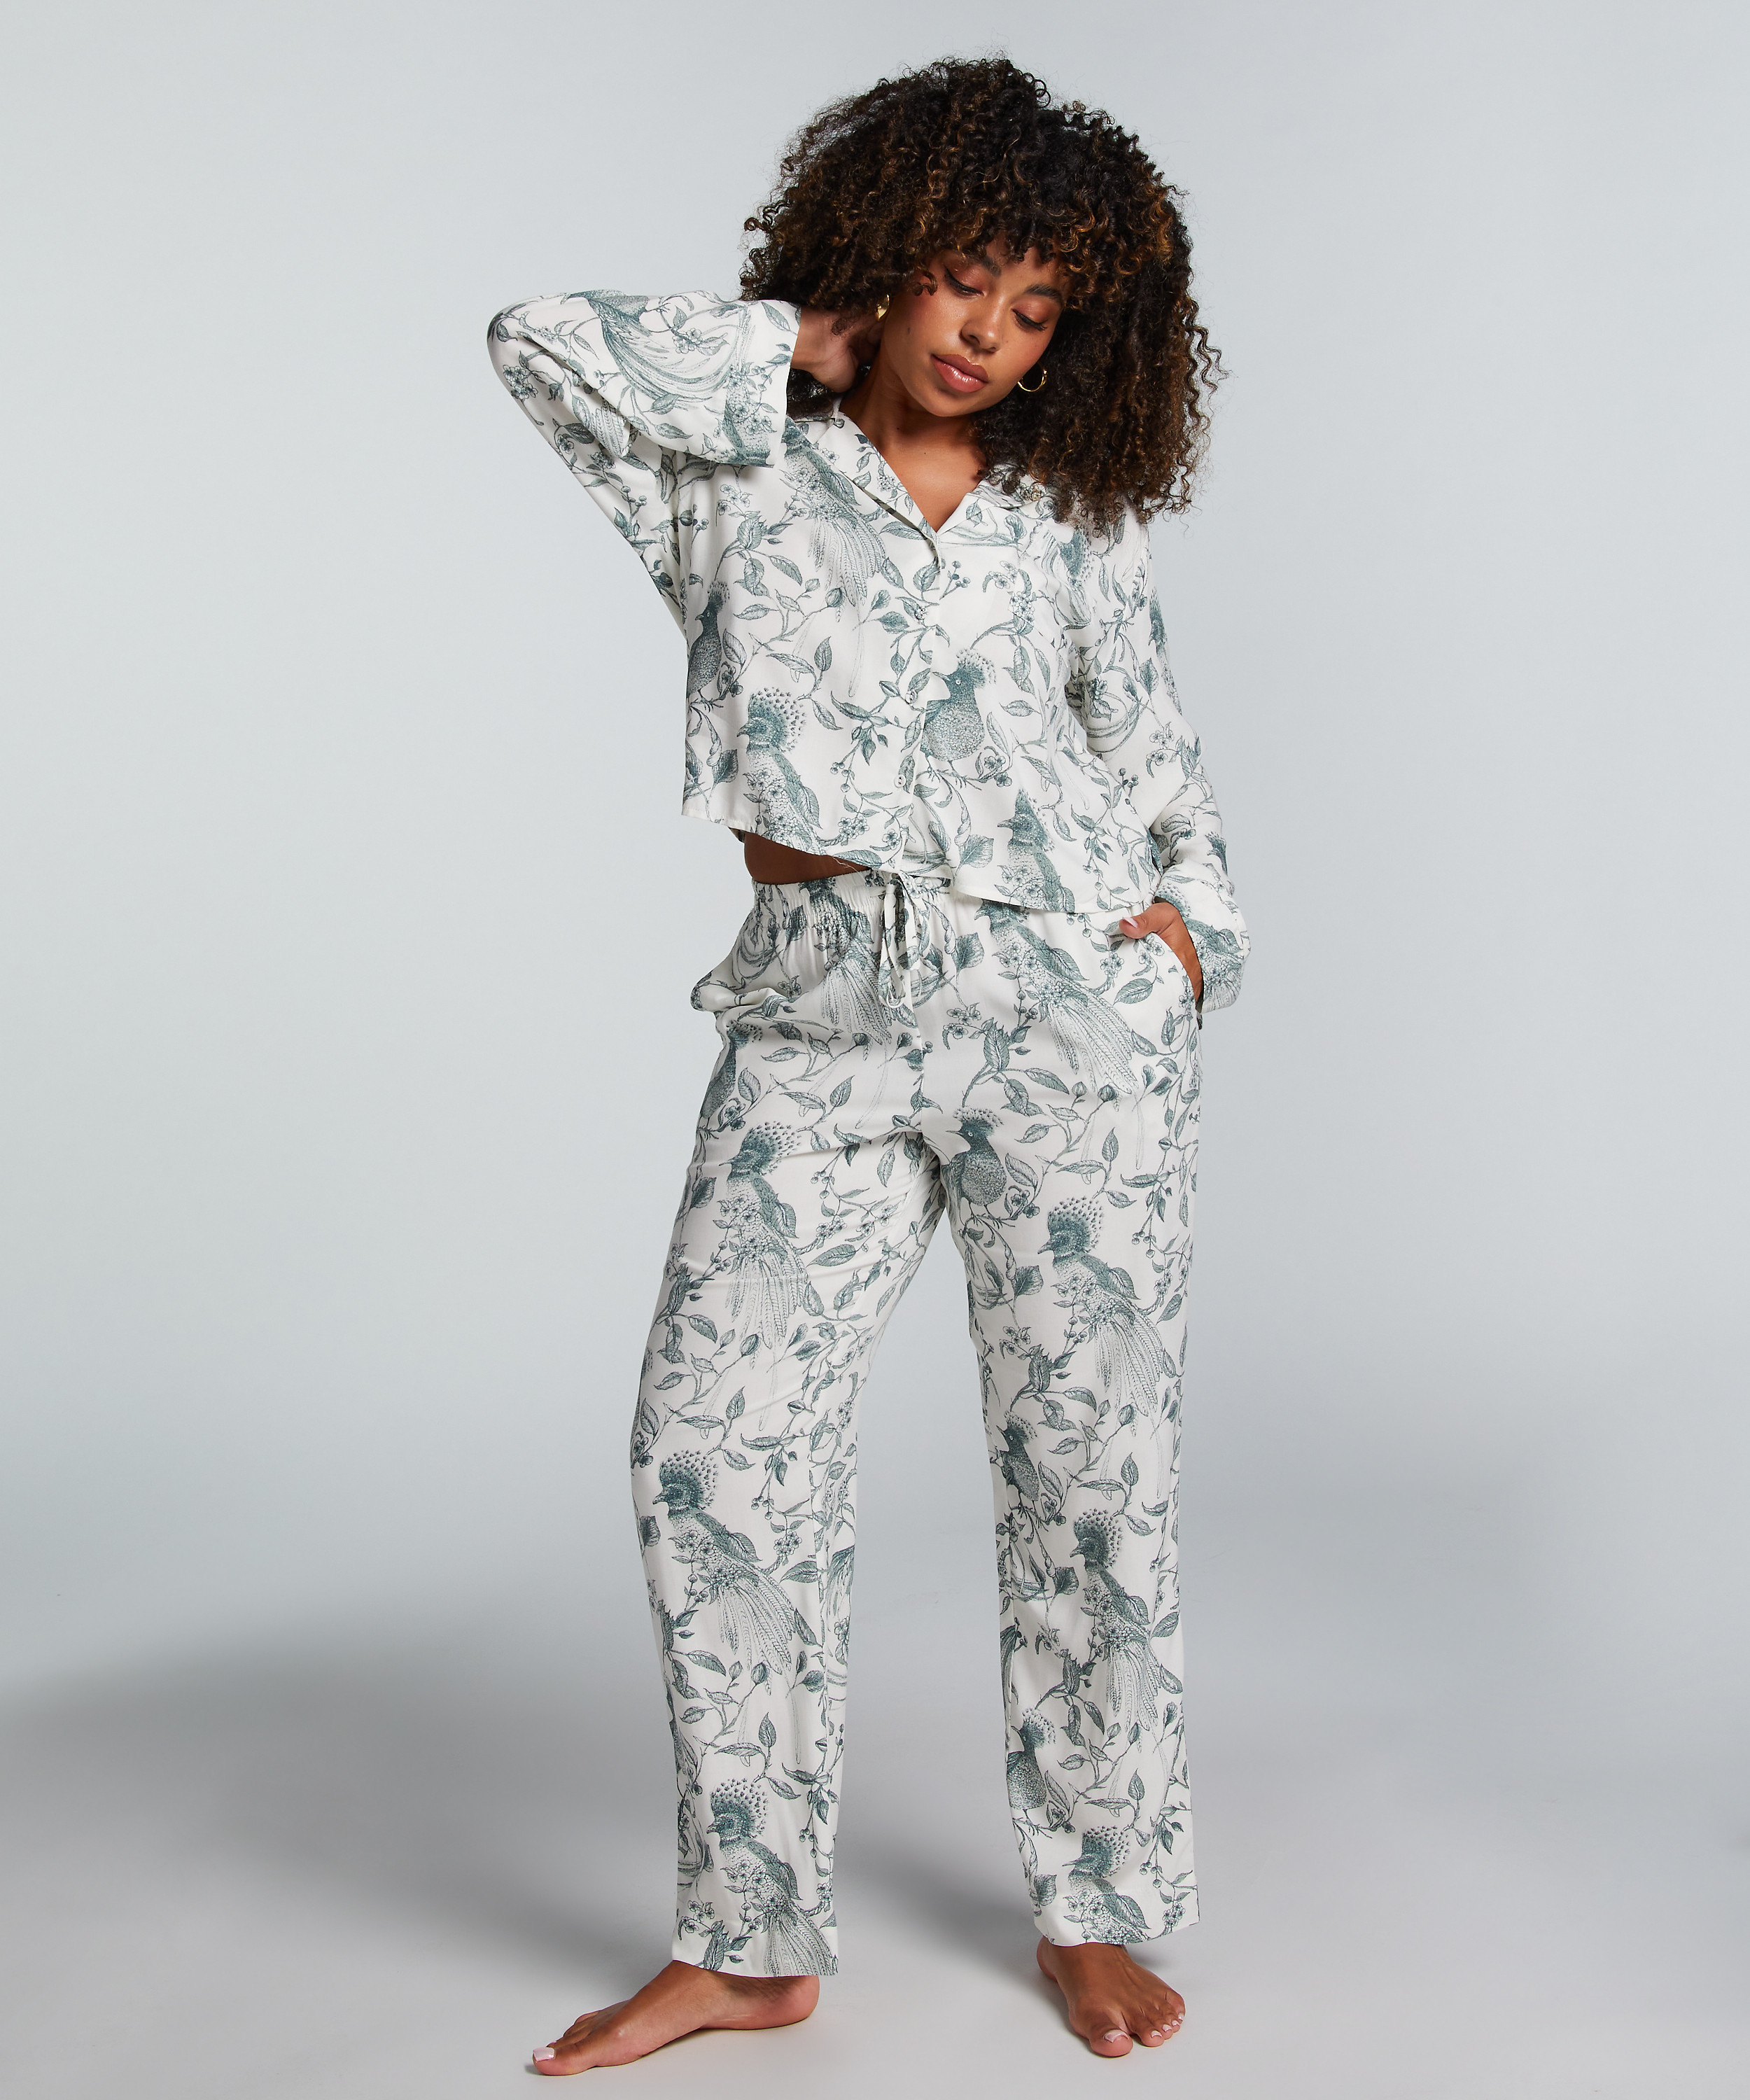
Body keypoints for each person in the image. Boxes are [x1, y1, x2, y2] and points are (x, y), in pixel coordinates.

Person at [486, 54, 1248, 2070]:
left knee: (1091, 1474)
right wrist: (797, 344)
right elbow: (538, 343)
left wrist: (1190, 937)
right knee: (713, 1451)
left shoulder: (1070, 518)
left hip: (1069, 1018)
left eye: (1035, 311)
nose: (988, 336)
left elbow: (1150, 750)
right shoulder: (734, 462)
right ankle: (751, 1939)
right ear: (892, 254)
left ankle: (1095, 1905)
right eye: (962, 279)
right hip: (819, 1012)